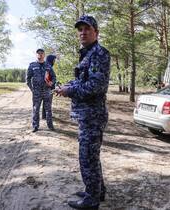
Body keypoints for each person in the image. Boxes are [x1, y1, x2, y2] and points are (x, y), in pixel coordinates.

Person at [55, 15, 110, 210]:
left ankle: (91, 200)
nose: (83, 32)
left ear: (96, 32)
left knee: (86, 157)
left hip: (92, 115)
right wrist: (67, 86)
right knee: (92, 156)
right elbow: (82, 81)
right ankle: (97, 191)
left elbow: (96, 86)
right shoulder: (87, 54)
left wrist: (70, 91)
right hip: (87, 115)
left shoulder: (99, 53)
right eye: (80, 29)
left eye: (87, 29)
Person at [26, 49, 56, 132]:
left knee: (48, 109)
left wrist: (52, 83)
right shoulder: (32, 65)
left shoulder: (48, 65)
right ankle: (35, 126)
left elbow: (54, 77)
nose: (40, 55)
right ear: (36, 55)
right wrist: (32, 89)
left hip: (47, 91)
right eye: (38, 53)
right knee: (36, 109)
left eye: (42, 53)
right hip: (37, 92)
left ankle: (50, 126)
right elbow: (27, 79)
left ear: (44, 55)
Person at [42, 55, 57, 120]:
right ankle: (47, 116)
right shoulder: (48, 67)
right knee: (48, 102)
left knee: (46, 102)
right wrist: (50, 84)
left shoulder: (46, 65)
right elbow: (46, 78)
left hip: (47, 87)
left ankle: (44, 115)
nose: (54, 61)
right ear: (51, 60)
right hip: (48, 88)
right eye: (54, 60)